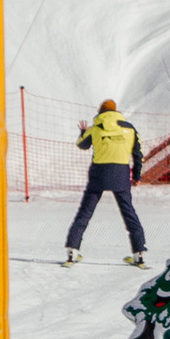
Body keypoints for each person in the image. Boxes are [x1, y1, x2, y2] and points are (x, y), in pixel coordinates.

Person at [65, 98, 148, 265]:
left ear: (101, 111)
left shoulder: (95, 128)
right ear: (115, 111)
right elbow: (138, 153)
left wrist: (82, 133)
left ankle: (72, 251)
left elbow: (82, 145)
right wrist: (137, 175)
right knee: (128, 213)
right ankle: (139, 253)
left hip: (99, 173)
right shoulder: (129, 129)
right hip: (121, 174)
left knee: (85, 212)